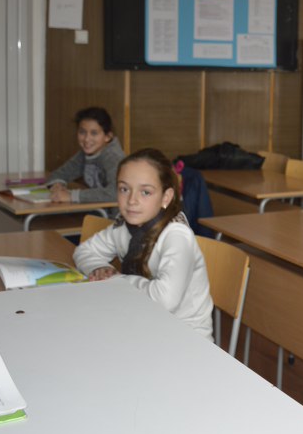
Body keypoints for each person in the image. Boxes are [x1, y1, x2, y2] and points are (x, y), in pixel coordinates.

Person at [73, 148, 214, 339]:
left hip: (184, 336)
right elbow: (84, 251)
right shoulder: (124, 226)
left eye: (146, 192)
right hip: (140, 320)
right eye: (124, 189)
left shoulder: (177, 236)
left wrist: (117, 281)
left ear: (166, 197)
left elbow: (166, 299)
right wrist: (99, 268)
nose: (132, 200)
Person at [46, 106, 124, 204]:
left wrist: (72, 196)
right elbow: (59, 174)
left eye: (94, 133)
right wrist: (57, 184)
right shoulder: (85, 154)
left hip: (116, 213)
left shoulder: (113, 157)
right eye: (82, 132)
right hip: (97, 209)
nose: (87, 139)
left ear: (107, 137)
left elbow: (115, 193)